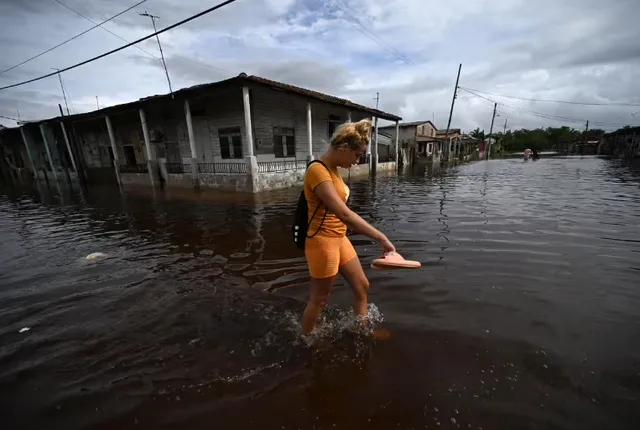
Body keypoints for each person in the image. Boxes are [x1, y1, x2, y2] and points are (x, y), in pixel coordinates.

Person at [301, 118, 396, 336]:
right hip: (322, 241)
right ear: (343, 148)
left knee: (362, 286)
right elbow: (343, 213)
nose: (357, 161)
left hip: (339, 238)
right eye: (356, 155)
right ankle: (306, 340)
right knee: (320, 299)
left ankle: (361, 330)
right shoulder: (318, 170)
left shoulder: (334, 170)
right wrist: (381, 237)